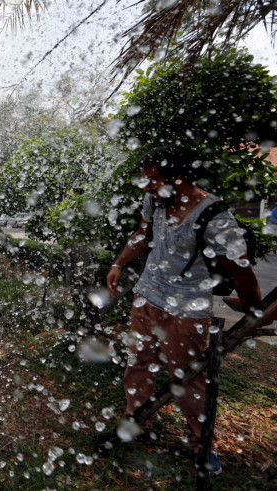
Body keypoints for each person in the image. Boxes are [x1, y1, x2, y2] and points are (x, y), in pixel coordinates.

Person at [106, 144, 261, 471]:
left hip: (187, 310)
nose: (147, 187)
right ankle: (137, 421)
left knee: (187, 378)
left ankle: (202, 446)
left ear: (178, 178)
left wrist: (254, 312)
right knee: (138, 363)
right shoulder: (155, 200)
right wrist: (119, 264)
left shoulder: (214, 217)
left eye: (153, 180)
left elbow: (240, 271)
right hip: (147, 296)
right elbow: (141, 234)